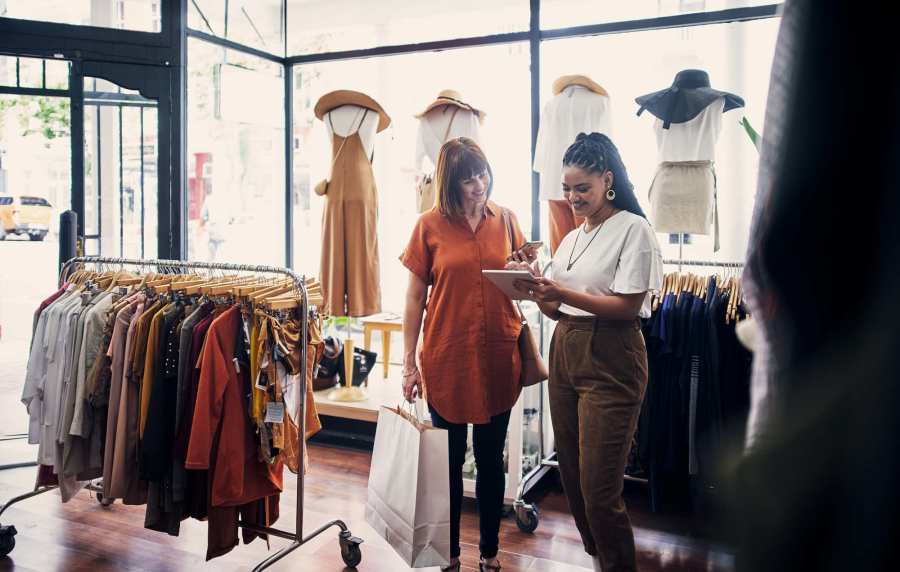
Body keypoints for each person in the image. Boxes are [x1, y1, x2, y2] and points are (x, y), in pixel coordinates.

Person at [509, 132, 662, 572]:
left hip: (612, 356)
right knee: (573, 481)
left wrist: (559, 291)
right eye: (567, 189)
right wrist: (535, 286)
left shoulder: (634, 230)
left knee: (599, 490)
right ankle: (601, 562)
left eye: (583, 188)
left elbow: (628, 306)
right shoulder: (573, 238)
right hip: (566, 353)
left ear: (607, 181)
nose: (573, 198)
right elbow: (556, 309)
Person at [400, 137, 534, 572]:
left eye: (482, 173)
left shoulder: (508, 219)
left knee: (492, 460)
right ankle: (450, 555)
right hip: (447, 357)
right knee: (449, 464)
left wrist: (525, 273)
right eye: (467, 178)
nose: (479, 184)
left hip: (498, 354)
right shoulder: (428, 226)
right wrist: (407, 363)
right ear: (450, 183)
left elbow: (527, 282)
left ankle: (491, 553)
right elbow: (415, 298)